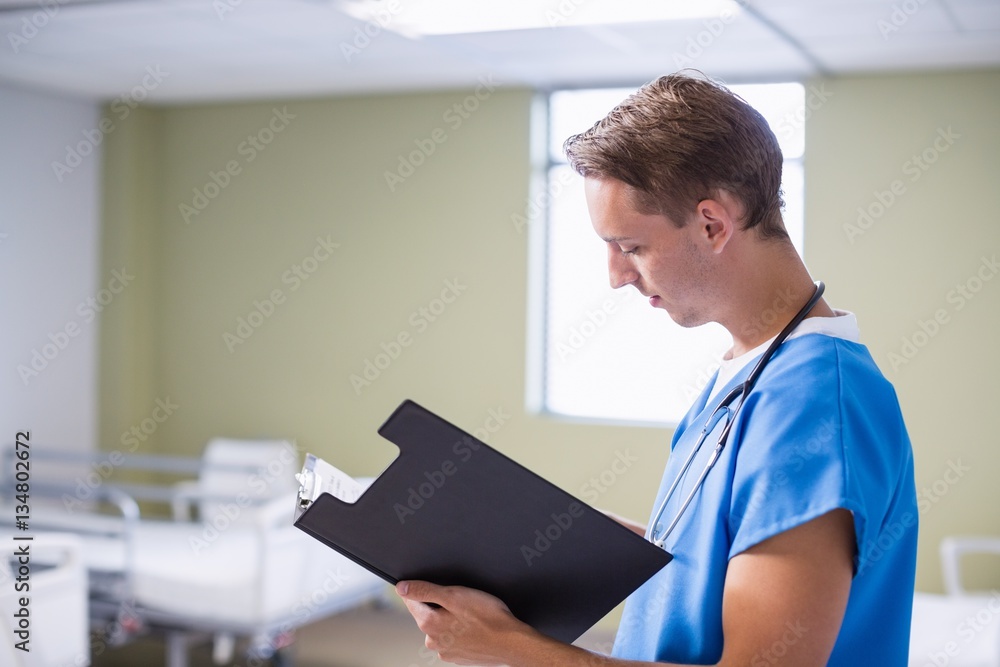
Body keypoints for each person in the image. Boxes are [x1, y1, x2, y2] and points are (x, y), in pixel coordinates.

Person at [396, 72, 918, 666]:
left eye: (631, 247)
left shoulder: (817, 402)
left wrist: (512, 648)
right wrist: (567, 538)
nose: (616, 276)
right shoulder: (747, 372)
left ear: (712, 224)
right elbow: (721, 562)